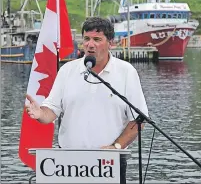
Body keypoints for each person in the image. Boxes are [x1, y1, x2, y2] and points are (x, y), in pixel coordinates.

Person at [26, 16, 149, 184]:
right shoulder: (67, 70)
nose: (90, 44)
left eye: (97, 39)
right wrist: (40, 113)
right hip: (68, 164)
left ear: (110, 43)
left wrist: (117, 147)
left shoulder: (126, 72)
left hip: (109, 163)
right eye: (86, 39)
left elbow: (138, 120)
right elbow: (51, 112)